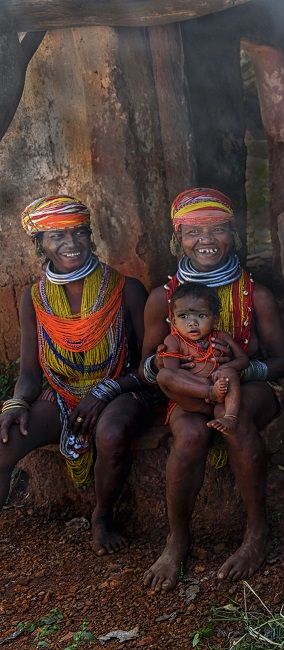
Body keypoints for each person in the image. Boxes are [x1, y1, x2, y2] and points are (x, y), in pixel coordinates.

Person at [141, 188, 284, 591]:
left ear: (234, 234)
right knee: (189, 435)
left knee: (235, 422)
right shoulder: (162, 299)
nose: (206, 240)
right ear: (178, 238)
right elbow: (145, 367)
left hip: (247, 388)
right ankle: (177, 539)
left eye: (218, 229)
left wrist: (239, 366)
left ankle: (256, 533)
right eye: (193, 231)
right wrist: (169, 364)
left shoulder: (255, 295)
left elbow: (283, 361)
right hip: (191, 391)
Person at [0, 195, 152, 556]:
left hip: (121, 389)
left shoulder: (126, 289)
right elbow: (29, 373)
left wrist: (105, 391)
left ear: (90, 235)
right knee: (3, 441)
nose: (71, 243)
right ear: (40, 243)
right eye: (57, 236)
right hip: (62, 394)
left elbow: (151, 365)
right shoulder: (34, 298)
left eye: (79, 232)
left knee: (110, 433)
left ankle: (102, 516)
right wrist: (16, 403)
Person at [157, 282, 249, 435]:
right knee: (164, 375)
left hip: (222, 390)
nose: (192, 323)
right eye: (183, 316)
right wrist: (206, 389)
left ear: (215, 320)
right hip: (193, 397)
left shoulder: (221, 336)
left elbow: (243, 360)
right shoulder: (173, 340)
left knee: (229, 373)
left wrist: (224, 368)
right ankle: (210, 393)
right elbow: (173, 372)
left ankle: (230, 417)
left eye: (201, 316)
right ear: (174, 321)